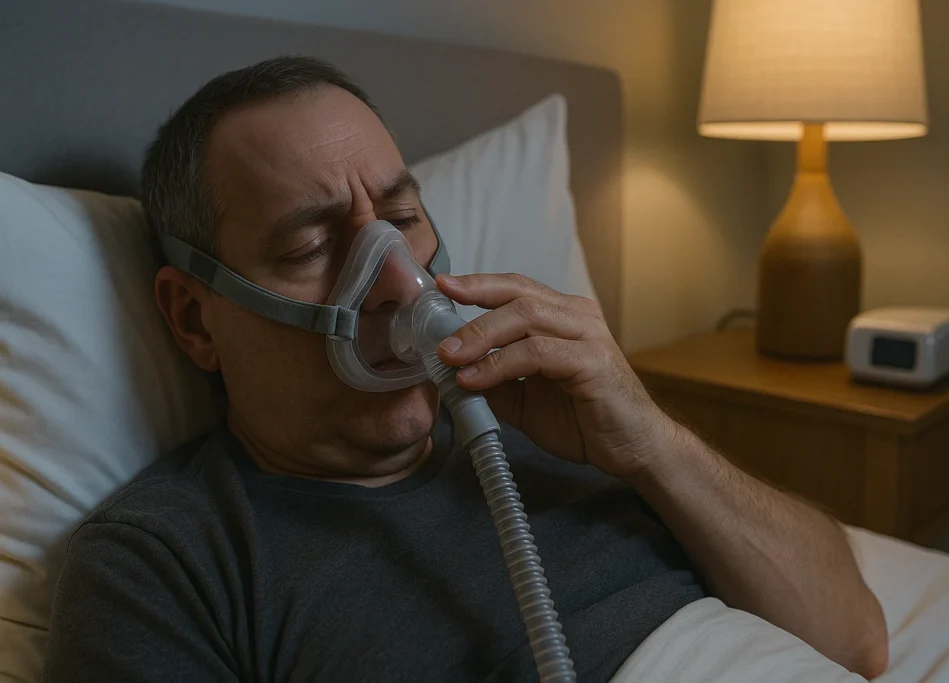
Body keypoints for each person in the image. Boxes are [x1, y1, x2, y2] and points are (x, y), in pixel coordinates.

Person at [43, 56, 888, 682]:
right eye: (309, 244)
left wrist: (651, 442)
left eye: (402, 216)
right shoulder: (170, 561)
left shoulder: (568, 423)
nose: (393, 277)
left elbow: (856, 638)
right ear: (196, 319)